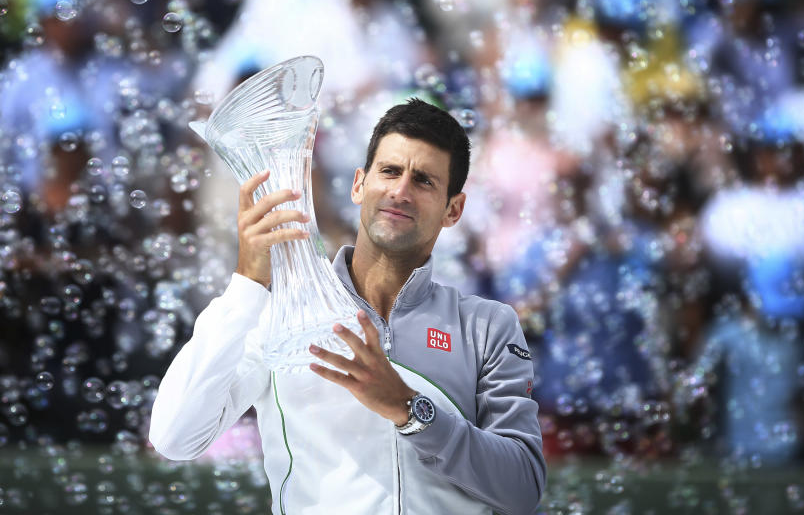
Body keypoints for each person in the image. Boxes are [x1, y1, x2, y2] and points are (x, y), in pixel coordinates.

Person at [149, 99, 546, 514]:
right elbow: (175, 438)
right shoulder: (279, 314)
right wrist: (248, 283)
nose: (400, 191)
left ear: (454, 209)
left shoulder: (487, 326)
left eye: (424, 180)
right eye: (389, 171)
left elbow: (522, 488)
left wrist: (410, 410)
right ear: (359, 184)